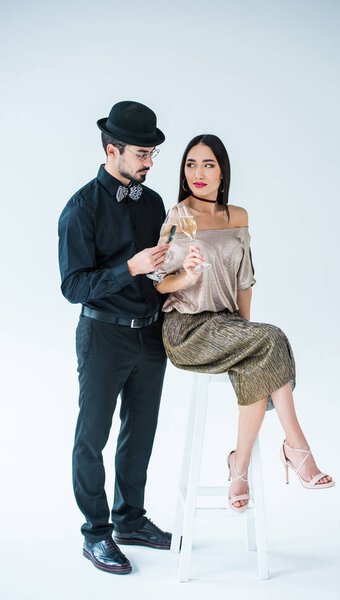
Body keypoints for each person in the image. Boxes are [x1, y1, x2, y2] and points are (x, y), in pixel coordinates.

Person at [157, 134, 334, 513]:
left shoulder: (237, 216)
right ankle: (296, 449)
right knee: (272, 339)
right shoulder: (180, 217)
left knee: (263, 349)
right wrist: (186, 278)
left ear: (223, 171)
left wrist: (245, 336)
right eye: (191, 164)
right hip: (186, 329)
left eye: (208, 164)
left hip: (226, 326)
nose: (198, 173)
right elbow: (161, 283)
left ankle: (239, 467)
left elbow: (243, 281)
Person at [58, 101, 172, 575]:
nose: (149, 163)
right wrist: (131, 267)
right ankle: (96, 534)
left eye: (152, 155)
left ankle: (130, 520)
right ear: (113, 150)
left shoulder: (154, 201)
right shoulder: (81, 208)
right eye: (142, 154)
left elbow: (162, 268)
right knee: (92, 438)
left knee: (140, 434)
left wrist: (176, 267)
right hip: (102, 335)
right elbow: (73, 286)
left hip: (151, 335)